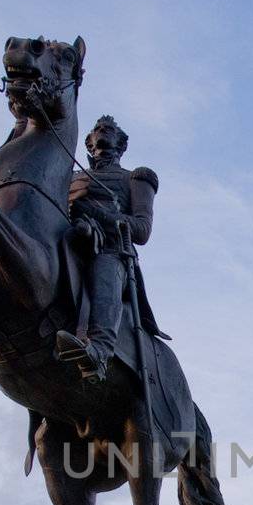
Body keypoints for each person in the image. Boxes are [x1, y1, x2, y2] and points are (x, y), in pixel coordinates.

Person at [54, 114, 164, 382]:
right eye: (97, 129)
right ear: (88, 143)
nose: (102, 131)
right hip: (68, 242)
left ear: (121, 144)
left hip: (111, 252)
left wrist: (93, 212)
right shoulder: (68, 176)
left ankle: (99, 352)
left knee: (105, 267)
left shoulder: (136, 178)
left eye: (109, 129)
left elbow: (141, 230)